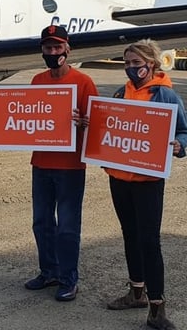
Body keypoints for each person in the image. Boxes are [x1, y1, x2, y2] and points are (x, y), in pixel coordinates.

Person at [100, 39, 187, 330]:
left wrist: (179, 145)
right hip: (119, 178)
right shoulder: (118, 93)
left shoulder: (165, 95)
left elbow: (184, 131)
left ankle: (157, 308)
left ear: (151, 63)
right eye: (127, 63)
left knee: (150, 241)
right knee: (129, 235)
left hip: (148, 180)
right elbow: (108, 127)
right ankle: (136, 291)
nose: (131, 69)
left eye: (136, 63)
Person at [23, 25, 98, 302]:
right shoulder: (37, 80)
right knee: (41, 222)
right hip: (41, 163)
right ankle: (49, 271)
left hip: (70, 167)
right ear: (42, 50)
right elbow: (26, 115)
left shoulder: (83, 81)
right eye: (48, 48)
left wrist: (85, 122)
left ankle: (68, 279)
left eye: (57, 48)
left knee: (67, 226)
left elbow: (98, 124)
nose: (52, 53)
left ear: (68, 49)